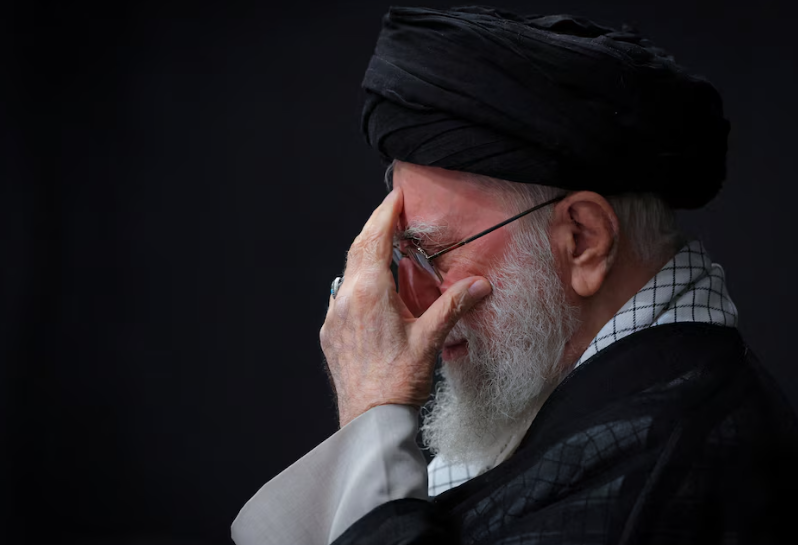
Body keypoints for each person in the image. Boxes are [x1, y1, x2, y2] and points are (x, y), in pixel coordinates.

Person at [233, 7, 798, 544]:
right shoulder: (591, 401)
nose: (413, 301)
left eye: (434, 253)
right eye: (401, 255)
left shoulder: (669, 469)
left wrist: (373, 416)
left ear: (582, 240)